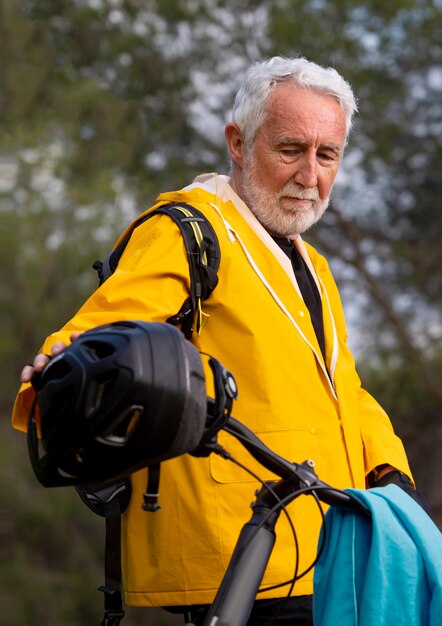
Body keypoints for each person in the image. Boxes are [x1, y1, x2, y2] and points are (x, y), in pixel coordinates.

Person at [12, 57, 414, 625]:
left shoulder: (314, 264)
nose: (309, 175)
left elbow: (341, 387)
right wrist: (59, 376)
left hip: (328, 557)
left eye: (327, 155)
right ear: (238, 143)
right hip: (240, 563)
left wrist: (393, 479)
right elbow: (103, 338)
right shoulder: (187, 230)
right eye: (290, 149)